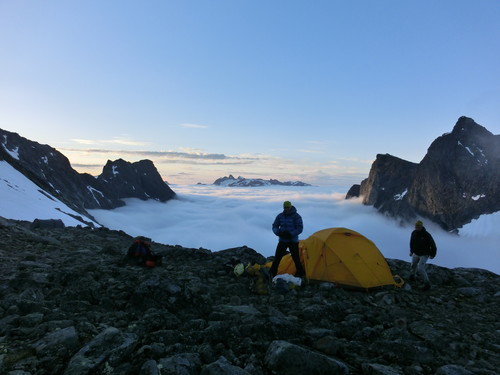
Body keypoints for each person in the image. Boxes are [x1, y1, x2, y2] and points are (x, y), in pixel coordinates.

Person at [270, 201, 306, 278]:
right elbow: (274, 226)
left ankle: (300, 273)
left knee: (296, 258)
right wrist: (278, 232)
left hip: (293, 241)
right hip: (283, 240)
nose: (286, 209)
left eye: (288, 207)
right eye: (285, 207)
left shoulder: (297, 216)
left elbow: (300, 228)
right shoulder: (280, 216)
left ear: (291, 207)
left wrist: (291, 234)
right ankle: (272, 273)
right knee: (277, 258)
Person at [409, 220, 437, 290]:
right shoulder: (414, 233)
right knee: (413, 265)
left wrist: (433, 254)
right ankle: (413, 276)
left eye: (418, 226)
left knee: (420, 268)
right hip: (416, 252)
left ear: (421, 226)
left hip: (424, 254)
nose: (417, 227)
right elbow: (412, 242)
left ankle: (427, 283)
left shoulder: (426, 235)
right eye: (416, 226)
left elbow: (433, 245)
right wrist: (411, 251)